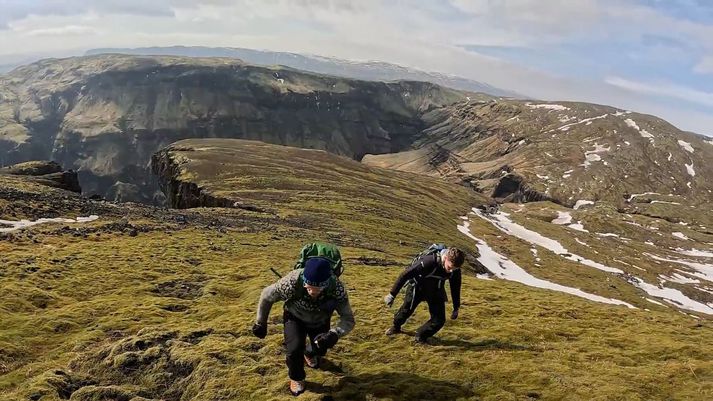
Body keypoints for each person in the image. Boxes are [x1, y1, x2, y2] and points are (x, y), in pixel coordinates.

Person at [252, 257, 355, 396]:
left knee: (321, 348)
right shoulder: (292, 281)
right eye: (309, 287)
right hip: (294, 317)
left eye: (318, 288)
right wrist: (260, 322)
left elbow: (348, 318)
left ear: (326, 284)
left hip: (320, 320)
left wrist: (334, 334)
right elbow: (267, 295)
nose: (312, 292)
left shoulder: (336, 288)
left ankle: (310, 352)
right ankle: (297, 378)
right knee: (294, 350)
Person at [384, 246, 465, 343]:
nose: (452, 271)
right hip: (418, 287)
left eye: (455, 268)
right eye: (450, 267)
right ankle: (396, 327)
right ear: (446, 258)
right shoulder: (428, 262)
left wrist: (456, 307)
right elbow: (405, 274)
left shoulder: (455, 270)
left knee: (439, 320)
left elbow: (455, 288)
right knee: (406, 310)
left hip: (436, 289)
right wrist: (392, 294)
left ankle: (421, 336)